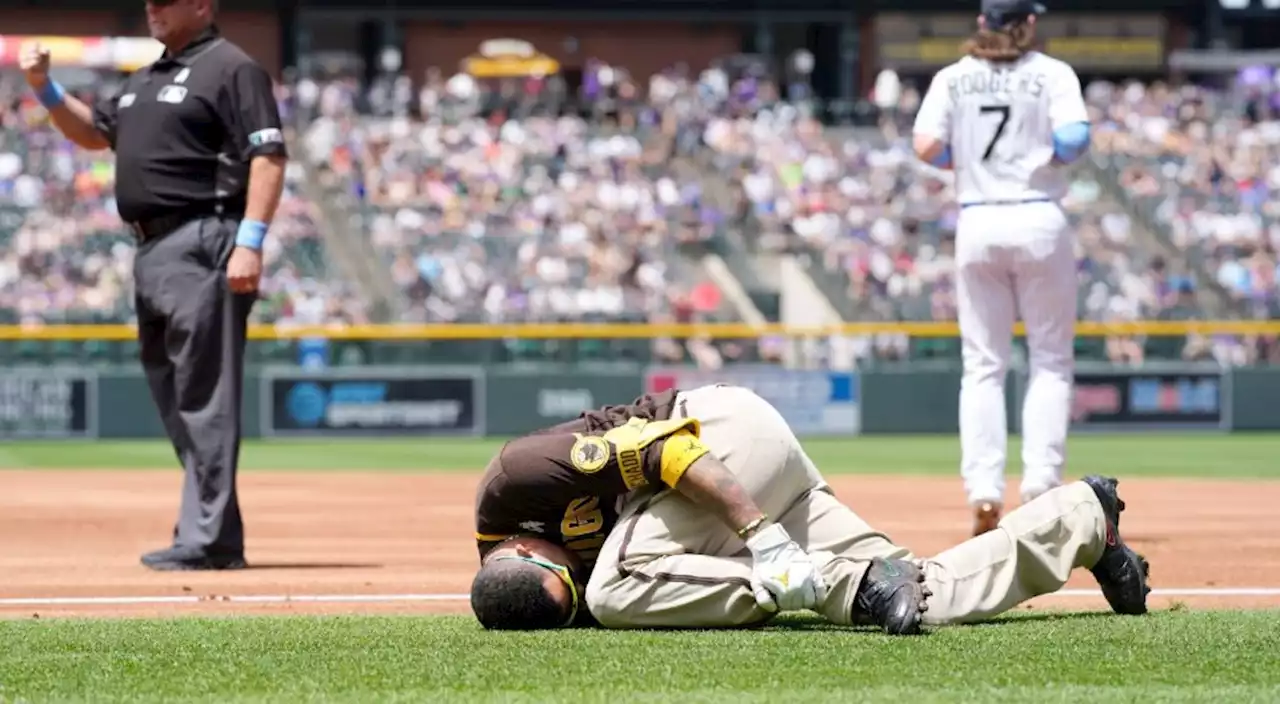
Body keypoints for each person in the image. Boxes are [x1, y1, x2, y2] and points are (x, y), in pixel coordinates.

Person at [469, 384, 1150, 632]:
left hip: (719, 439)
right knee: (925, 593)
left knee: (618, 591)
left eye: (563, 573)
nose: (574, 578)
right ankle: (1084, 520)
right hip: (712, 512)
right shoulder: (527, 590)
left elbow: (670, 458)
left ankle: (841, 583)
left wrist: (763, 539)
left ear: (523, 550)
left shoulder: (515, 479)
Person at [20, 0, 287, 570]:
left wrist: (250, 240)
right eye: (149, 2)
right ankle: (213, 532)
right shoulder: (146, 78)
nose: (153, 9)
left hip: (204, 239)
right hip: (150, 249)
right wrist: (44, 87)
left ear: (201, 5)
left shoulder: (231, 67)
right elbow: (94, 135)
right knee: (176, 400)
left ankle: (209, 540)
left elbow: (268, 155)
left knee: (204, 399)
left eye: (166, 1)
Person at [910, 0, 1091, 535]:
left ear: (982, 23)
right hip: (1038, 215)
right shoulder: (1051, 73)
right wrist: (1038, 158)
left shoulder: (954, 77)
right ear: (1029, 23)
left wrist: (966, 160)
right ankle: (1039, 483)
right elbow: (1074, 138)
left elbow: (925, 145)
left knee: (983, 366)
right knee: (1050, 360)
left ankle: (985, 490)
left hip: (979, 220)